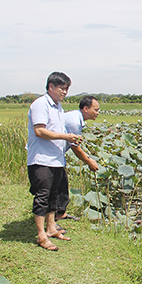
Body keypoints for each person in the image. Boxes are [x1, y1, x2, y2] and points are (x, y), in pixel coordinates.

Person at [26, 72, 83, 251]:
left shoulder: (58, 107)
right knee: (42, 197)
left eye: (67, 89)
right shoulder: (40, 105)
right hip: (42, 159)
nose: (65, 92)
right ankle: (41, 235)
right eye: (62, 88)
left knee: (53, 196)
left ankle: (51, 228)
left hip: (56, 159)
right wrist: (65, 136)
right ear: (51, 87)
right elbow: (40, 131)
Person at [56, 96, 101, 221]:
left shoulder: (76, 117)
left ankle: (60, 213)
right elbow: (76, 148)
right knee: (58, 184)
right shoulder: (75, 122)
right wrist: (89, 161)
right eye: (96, 110)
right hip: (51, 154)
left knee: (62, 183)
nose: (97, 113)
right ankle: (55, 215)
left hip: (56, 153)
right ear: (86, 108)